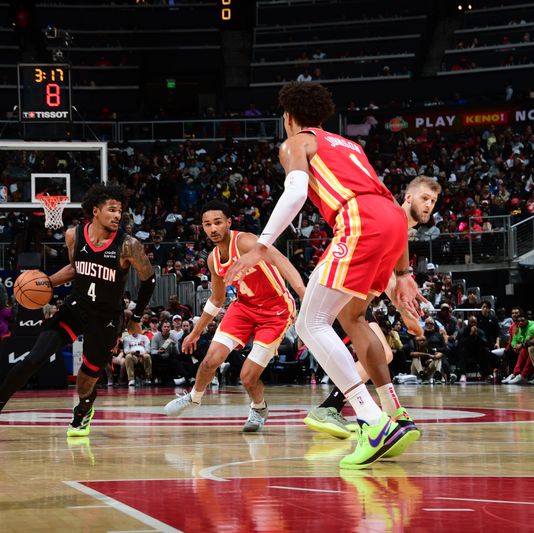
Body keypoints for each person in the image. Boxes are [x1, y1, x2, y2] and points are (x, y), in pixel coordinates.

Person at [225, 82, 421, 469]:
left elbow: (296, 192)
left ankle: (372, 421)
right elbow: (389, 206)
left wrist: (263, 245)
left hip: (360, 221)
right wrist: (404, 272)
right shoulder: (351, 146)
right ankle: (395, 413)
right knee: (352, 317)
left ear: (288, 116)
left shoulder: (297, 141)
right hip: (393, 224)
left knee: (311, 322)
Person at [0, 184, 156, 437]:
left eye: (120, 211)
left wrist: (137, 316)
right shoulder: (74, 235)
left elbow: (149, 279)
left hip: (107, 318)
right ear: (95, 211)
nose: (118, 215)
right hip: (76, 307)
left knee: (85, 380)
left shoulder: (128, 245)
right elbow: (75, 268)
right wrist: (45, 283)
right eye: (112, 210)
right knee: (33, 358)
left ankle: (84, 410)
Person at [303, 175, 440, 438]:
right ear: (408, 197)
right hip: (337, 289)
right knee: (376, 352)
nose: (428, 205)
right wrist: (402, 308)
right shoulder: (389, 220)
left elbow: (388, 275)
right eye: (424, 198)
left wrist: (404, 305)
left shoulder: (401, 231)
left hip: (357, 293)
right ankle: (342, 408)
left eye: (433, 201)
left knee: (383, 355)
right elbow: (389, 276)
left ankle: (339, 407)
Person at [164, 200, 305, 432]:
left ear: (228, 222)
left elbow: (280, 259)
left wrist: (303, 293)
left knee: (248, 377)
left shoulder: (246, 241)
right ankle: (194, 397)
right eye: (207, 224)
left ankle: (259, 408)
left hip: (276, 310)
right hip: (244, 307)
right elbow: (217, 300)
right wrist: (195, 333)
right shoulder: (212, 259)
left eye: (218, 222)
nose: (213, 229)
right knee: (210, 360)